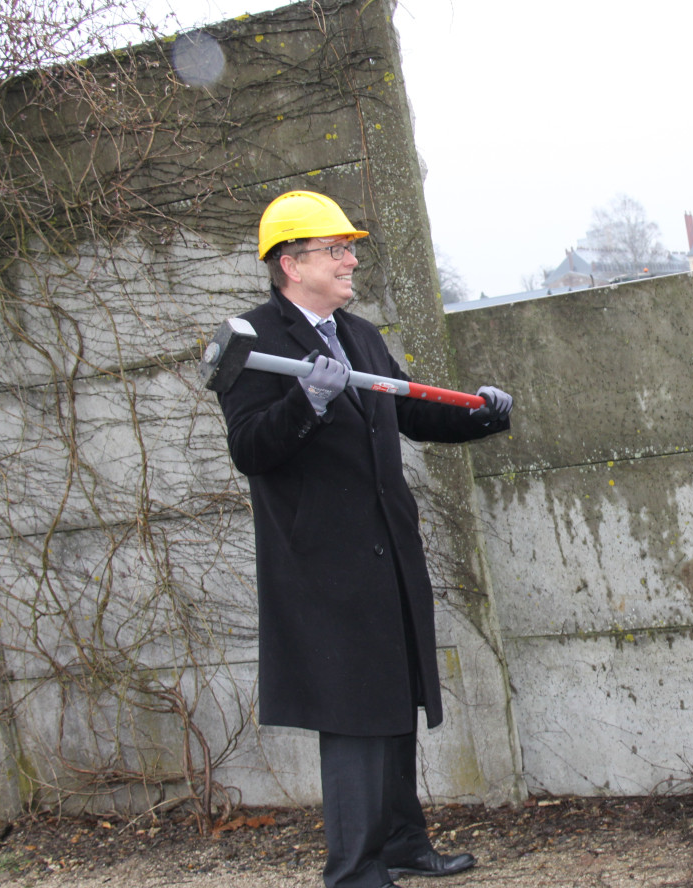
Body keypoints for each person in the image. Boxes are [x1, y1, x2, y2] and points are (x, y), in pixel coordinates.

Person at [215, 190, 512, 888]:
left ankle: (404, 844)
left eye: (351, 247)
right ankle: (353, 872)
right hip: (322, 565)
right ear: (291, 262)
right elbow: (251, 449)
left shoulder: (360, 334)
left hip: (388, 553)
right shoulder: (254, 342)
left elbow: (408, 408)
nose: (352, 259)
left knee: (393, 699)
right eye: (337, 249)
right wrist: (306, 401)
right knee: (351, 717)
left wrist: (481, 414)